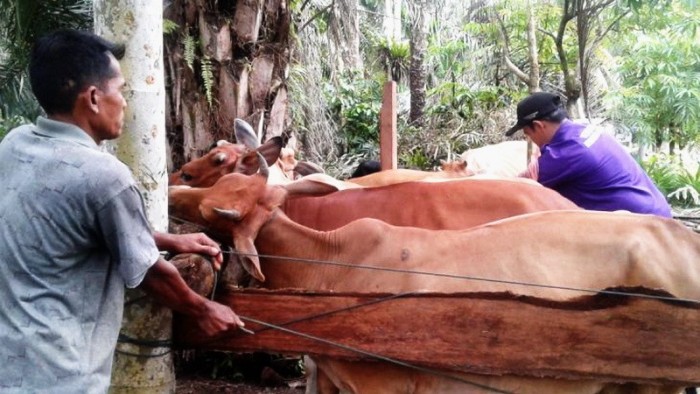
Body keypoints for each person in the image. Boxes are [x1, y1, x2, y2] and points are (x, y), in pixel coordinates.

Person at [0, 30, 245, 392]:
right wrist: (204, 310)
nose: (126, 102)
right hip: (63, 375)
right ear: (95, 98)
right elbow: (151, 273)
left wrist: (170, 240)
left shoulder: (14, 144)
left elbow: (70, 226)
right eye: (121, 90)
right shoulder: (106, 177)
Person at [506, 91, 671, 217]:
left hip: (639, 225)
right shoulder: (583, 130)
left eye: (528, 134)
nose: (531, 140)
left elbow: (519, 187)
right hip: (656, 210)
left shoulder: (568, 153)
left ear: (539, 125)